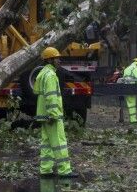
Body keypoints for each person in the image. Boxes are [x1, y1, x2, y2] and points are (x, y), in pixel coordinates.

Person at [34, 47, 78, 178]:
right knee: (59, 142)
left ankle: (45, 170)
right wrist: (53, 114)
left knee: (46, 143)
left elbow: (40, 94)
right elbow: (51, 96)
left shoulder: (42, 73)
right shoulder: (51, 75)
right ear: (50, 60)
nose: (59, 61)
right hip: (51, 116)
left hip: (43, 115)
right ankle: (65, 171)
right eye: (57, 58)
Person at [122, 58, 137, 123]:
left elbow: (124, 79)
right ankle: (133, 120)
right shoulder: (135, 68)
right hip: (132, 88)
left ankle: (132, 119)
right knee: (133, 104)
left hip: (126, 88)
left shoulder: (126, 69)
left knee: (129, 104)